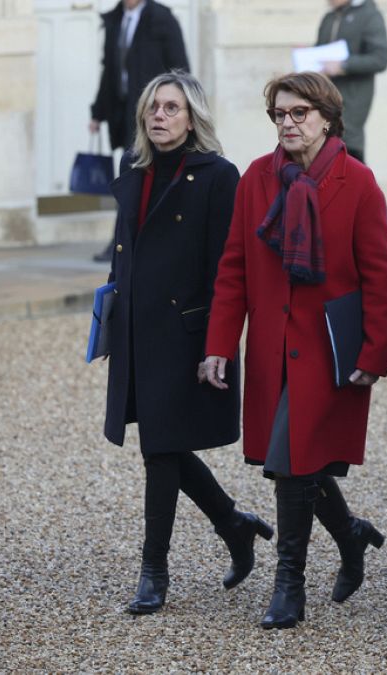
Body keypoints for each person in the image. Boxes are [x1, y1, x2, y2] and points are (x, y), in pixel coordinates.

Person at [201, 71, 387, 629]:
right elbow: (233, 267)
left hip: (328, 350)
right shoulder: (256, 179)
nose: (287, 123)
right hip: (271, 347)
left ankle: (289, 585)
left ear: (327, 118)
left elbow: (378, 276)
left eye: (299, 113)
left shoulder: (358, 182)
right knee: (296, 458)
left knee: (289, 463)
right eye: (279, 114)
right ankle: (350, 533)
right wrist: (219, 344)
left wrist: (374, 354)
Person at [102, 71, 270, 616]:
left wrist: (217, 342)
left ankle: (154, 570)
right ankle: (232, 522)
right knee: (164, 442)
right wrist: (109, 316)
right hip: (137, 328)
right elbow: (124, 253)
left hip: (187, 332)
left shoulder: (219, 176)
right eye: (153, 107)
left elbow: (229, 267)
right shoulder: (133, 169)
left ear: (193, 117)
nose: (159, 115)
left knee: (159, 447)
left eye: (171, 107)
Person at [90, 0, 190, 263]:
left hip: (154, 113)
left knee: (140, 173)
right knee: (131, 173)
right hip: (125, 112)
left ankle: (129, 239)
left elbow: (180, 69)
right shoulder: (114, 19)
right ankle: (122, 240)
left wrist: (176, 110)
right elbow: (109, 70)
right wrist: (97, 112)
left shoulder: (162, 18)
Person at [315, 0, 387, 244]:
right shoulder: (329, 18)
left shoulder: (369, 15)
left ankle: (385, 223)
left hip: (351, 103)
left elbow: (380, 58)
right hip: (324, 101)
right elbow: (322, 54)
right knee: (339, 161)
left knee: (349, 157)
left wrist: (343, 65)